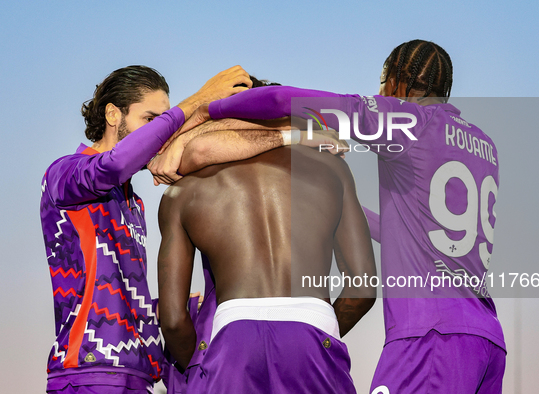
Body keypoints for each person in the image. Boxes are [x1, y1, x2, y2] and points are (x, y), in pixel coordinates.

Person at [183, 40, 506, 393]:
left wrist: (206, 110)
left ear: (397, 81)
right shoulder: (482, 145)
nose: (379, 91)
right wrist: (336, 205)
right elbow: (416, 230)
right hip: (485, 338)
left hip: (430, 335)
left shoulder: (408, 121)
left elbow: (281, 100)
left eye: (382, 82)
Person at [40, 64, 261, 394]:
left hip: (139, 378)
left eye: (165, 120)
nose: (162, 133)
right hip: (90, 372)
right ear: (113, 115)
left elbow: (124, 295)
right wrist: (199, 100)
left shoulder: (134, 202)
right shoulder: (65, 174)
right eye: (150, 120)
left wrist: (192, 308)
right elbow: (112, 165)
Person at [157, 143, 376, 393]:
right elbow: (363, 289)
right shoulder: (331, 168)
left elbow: (173, 321)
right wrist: (314, 331)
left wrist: (201, 366)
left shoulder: (184, 190)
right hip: (312, 323)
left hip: (233, 332)